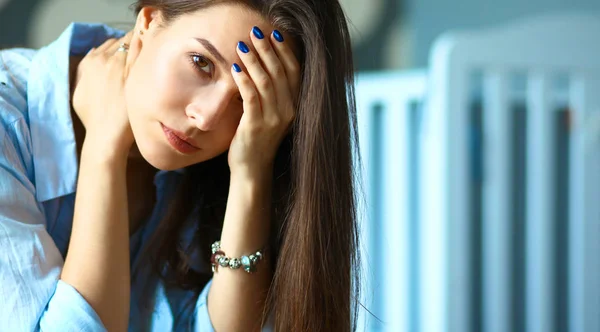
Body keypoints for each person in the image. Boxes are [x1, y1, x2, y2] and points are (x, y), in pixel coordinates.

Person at [0, 0, 360, 331]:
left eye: (245, 100)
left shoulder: (216, 163)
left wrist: (251, 171)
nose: (205, 117)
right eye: (201, 63)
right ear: (149, 23)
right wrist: (105, 147)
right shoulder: (7, 124)